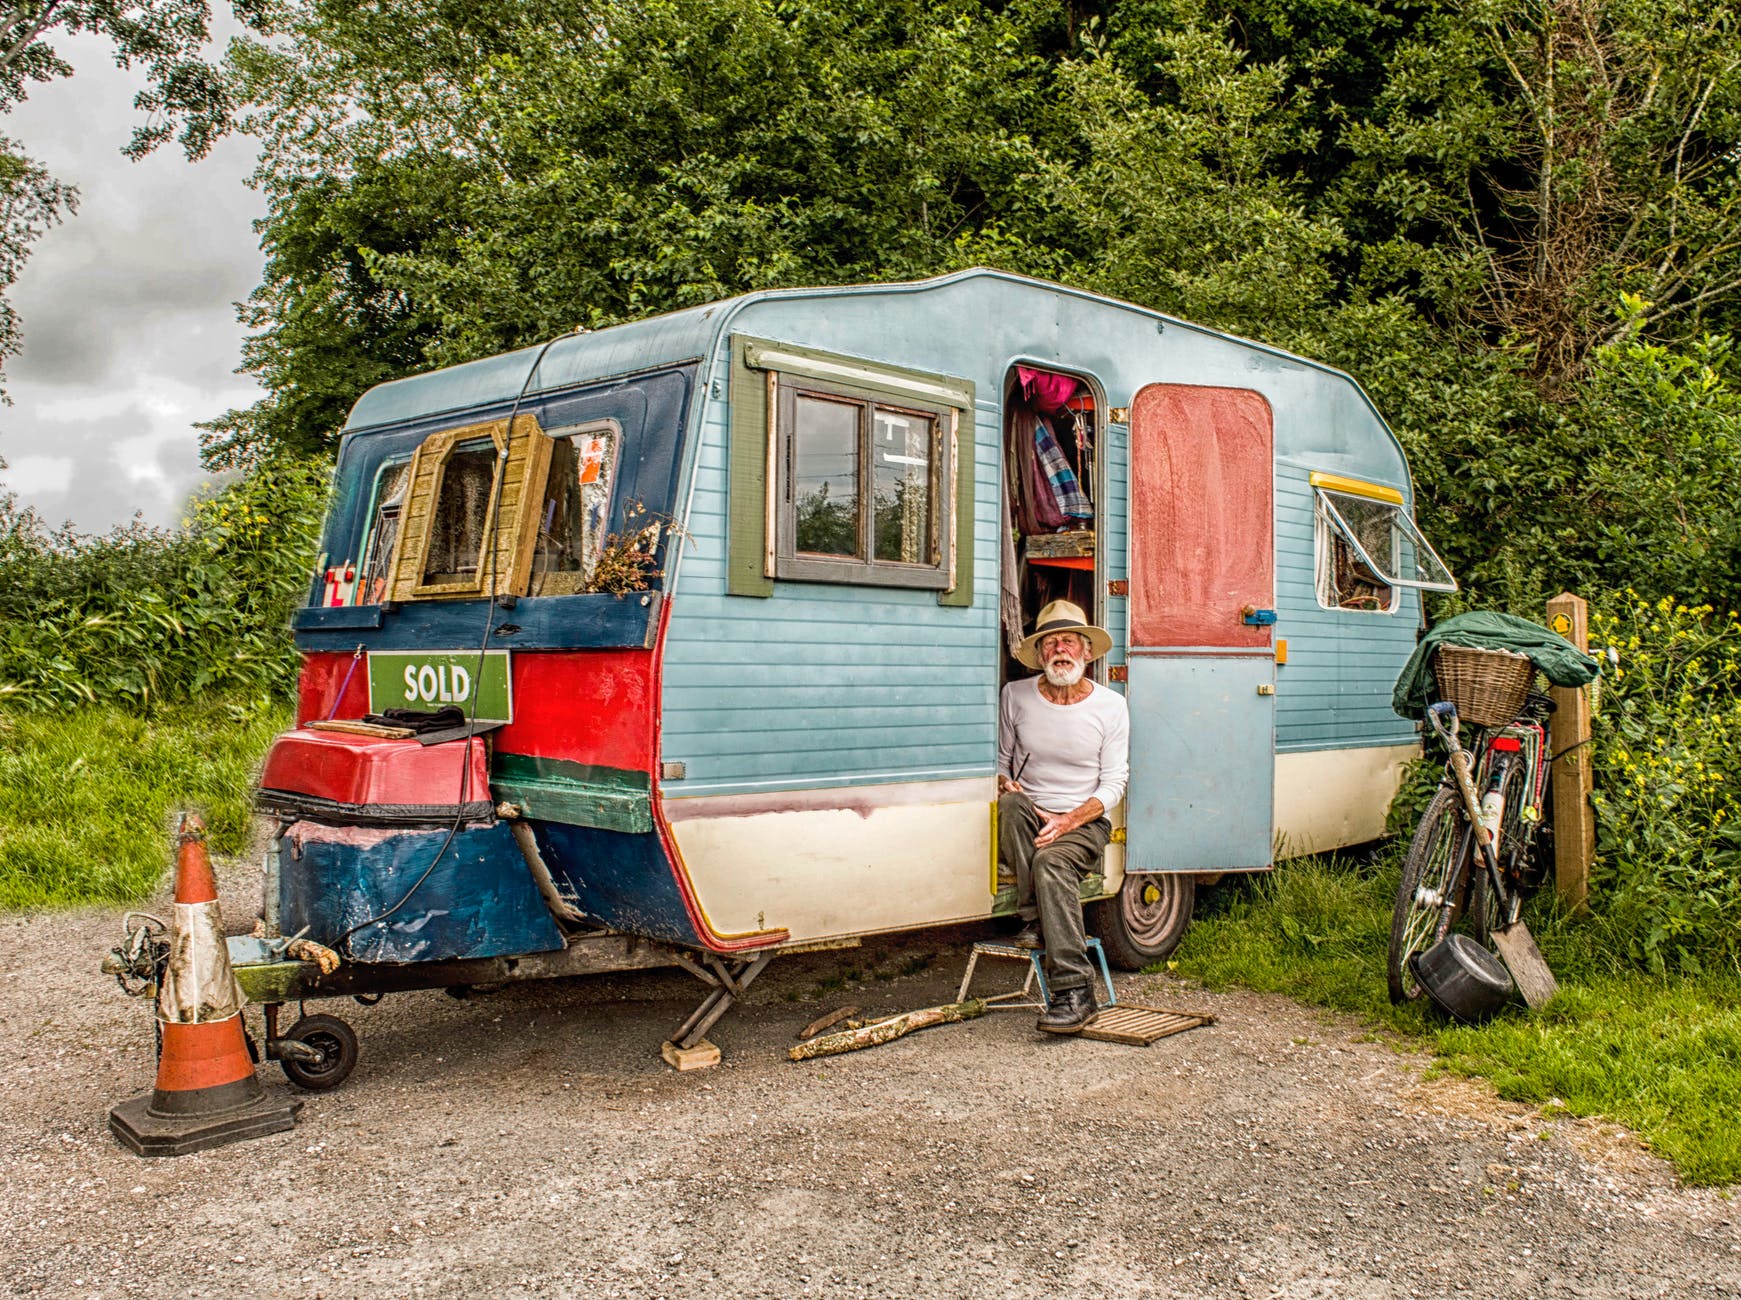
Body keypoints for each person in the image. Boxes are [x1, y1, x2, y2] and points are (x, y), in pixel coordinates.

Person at [997, 599, 1130, 1034]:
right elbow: (1000, 761)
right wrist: (1005, 783)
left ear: (1086, 652)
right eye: (1050, 642)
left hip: (1085, 822)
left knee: (1052, 861)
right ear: (1039, 655)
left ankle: (1075, 992)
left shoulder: (1111, 706)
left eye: (1069, 641)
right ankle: (1036, 917)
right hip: (1030, 815)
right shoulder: (1014, 695)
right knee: (1011, 807)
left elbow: (1115, 783)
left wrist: (1070, 820)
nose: (1060, 650)